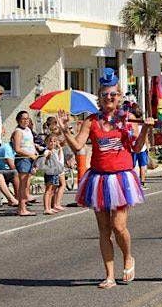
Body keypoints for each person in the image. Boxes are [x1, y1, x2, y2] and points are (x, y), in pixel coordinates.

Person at [57, 68, 153, 289]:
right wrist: (65, 130)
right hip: (99, 179)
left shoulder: (127, 120)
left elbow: (137, 148)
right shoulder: (91, 121)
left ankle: (128, 257)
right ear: (99, 98)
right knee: (103, 229)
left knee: (119, 226)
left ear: (119, 97)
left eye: (113, 94)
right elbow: (79, 146)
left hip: (121, 179)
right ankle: (109, 275)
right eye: (104, 95)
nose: (109, 98)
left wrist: (145, 129)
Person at [12, 111, 39, 216]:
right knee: (23, 185)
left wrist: (35, 154)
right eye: (23, 119)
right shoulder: (18, 131)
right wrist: (29, 155)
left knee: (27, 185)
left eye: (27, 118)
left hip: (30, 158)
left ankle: (23, 207)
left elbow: (31, 144)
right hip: (23, 159)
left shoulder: (28, 130)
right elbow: (17, 148)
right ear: (19, 120)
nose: (26, 120)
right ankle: (22, 208)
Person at [39, 134, 64, 215]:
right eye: (50, 141)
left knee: (52, 191)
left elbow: (59, 159)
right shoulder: (47, 151)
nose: (52, 143)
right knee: (48, 190)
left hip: (55, 172)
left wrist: (60, 148)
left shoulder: (55, 151)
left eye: (54, 141)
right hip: (49, 173)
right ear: (46, 142)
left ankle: (50, 207)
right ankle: (46, 208)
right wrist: (46, 156)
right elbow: (44, 156)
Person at [131, 107, 149, 189]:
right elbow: (145, 137)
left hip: (132, 147)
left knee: (132, 166)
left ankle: (132, 182)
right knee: (143, 165)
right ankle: (142, 183)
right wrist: (148, 145)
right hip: (142, 148)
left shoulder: (131, 124)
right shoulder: (143, 124)